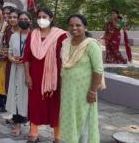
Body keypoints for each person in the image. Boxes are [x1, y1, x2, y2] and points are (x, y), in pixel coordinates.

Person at [23, 8, 67, 143]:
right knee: (35, 104)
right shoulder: (33, 34)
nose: (41, 19)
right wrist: (27, 76)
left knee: (55, 105)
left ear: (51, 18)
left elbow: (66, 57)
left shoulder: (61, 35)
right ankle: (34, 133)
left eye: (45, 16)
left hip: (55, 78)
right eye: (39, 17)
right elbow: (26, 57)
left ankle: (58, 137)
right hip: (35, 76)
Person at [60, 14, 104, 143]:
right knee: (69, 119)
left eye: (78, 25)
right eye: (71, 25)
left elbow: (98, 70)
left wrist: (93, 91)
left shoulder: (91, 45)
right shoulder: (66, 43)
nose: (74, 28)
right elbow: (63, 67)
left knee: (83, 122)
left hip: (84, 92)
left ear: (85, 27)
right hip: (68, 91)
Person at [6, 11, 31, 137]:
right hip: (16, 69)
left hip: (30, 71)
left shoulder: (35, 36)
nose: (23, 21)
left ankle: (31, 124)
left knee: (28, 97)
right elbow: (9, 52)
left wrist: (26, 59)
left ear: (30, 21)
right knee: (17, 96)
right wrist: (11, 58)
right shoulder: (14, 36)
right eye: (21, 19)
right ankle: (18, 124)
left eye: (26, 19)